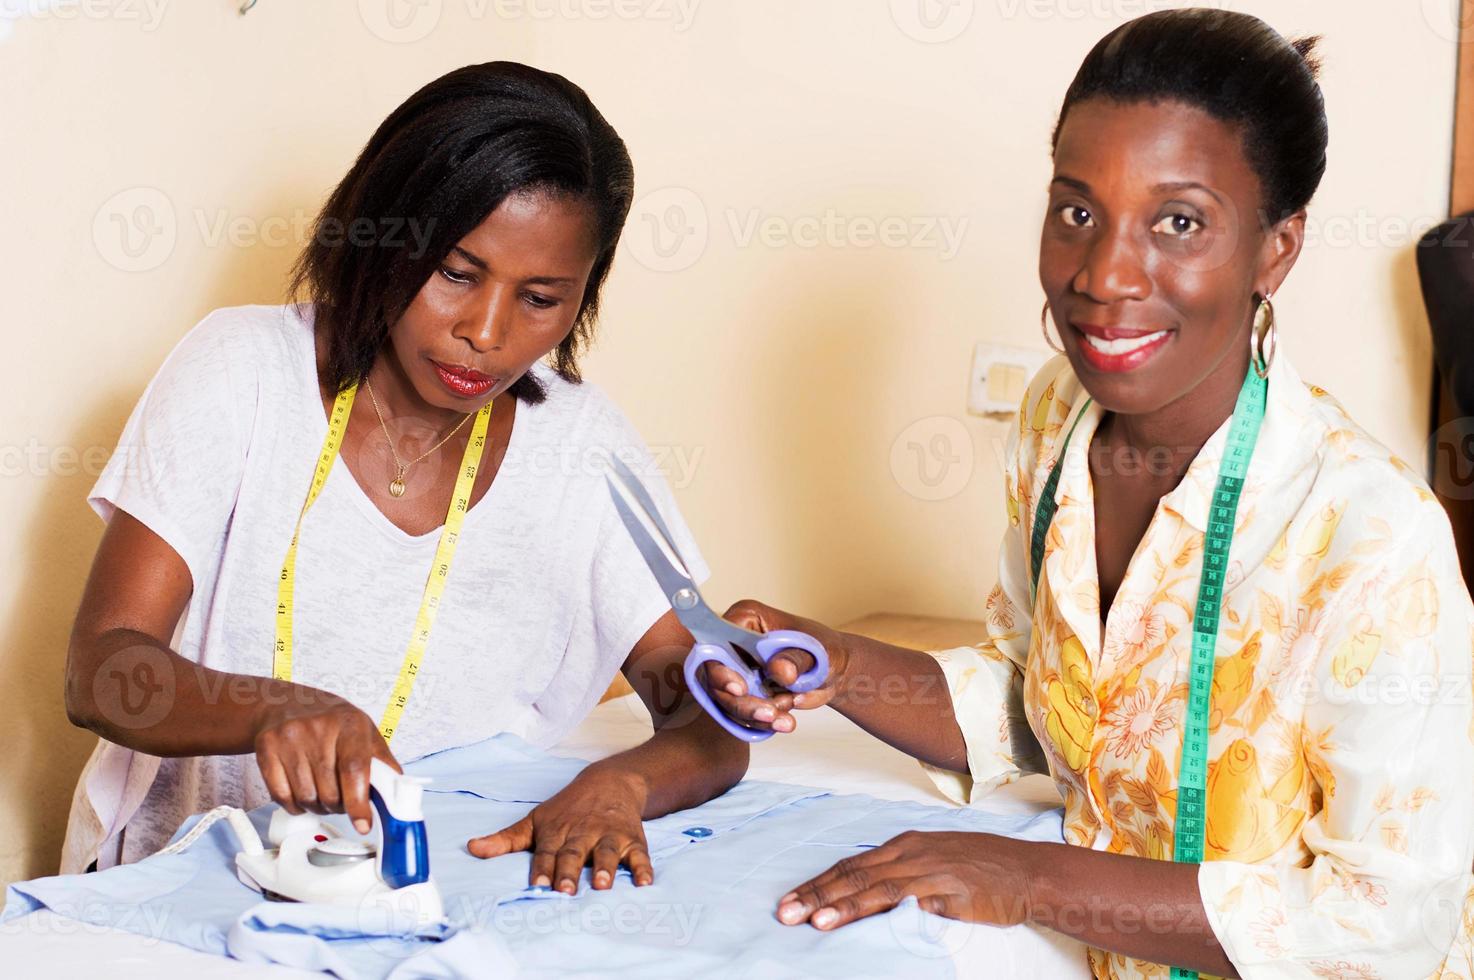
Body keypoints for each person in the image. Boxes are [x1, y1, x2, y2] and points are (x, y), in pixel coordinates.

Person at [710, 11, 1474, 978]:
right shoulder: (1056, 419)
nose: (1105, 275)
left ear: (1277, 249)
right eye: (1077, 211)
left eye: (1179, 222)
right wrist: (836, 662)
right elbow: (1051, 704)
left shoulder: (1370, 537)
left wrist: (1032, 879)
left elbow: (1386, 927)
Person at [61, 61, 746, 897]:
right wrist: (269, 707)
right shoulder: (241, 372)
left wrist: (622, 784)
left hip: (439, 895)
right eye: (455, 272)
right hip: (179, 890)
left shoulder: (580, 446)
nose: (483, 332)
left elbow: (707, 720)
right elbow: (100, 672)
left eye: (539, 297)